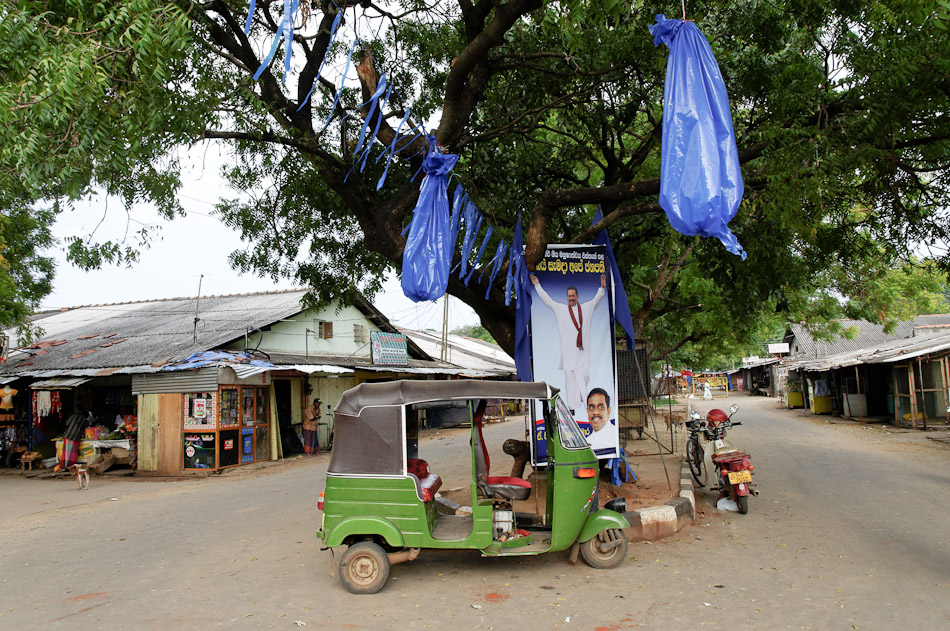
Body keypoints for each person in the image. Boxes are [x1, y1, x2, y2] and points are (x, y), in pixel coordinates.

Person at [530, 273, 606, 412]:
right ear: (567, 297)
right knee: (570, 382)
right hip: (569, 354)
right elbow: (547, 300)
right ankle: (573, 407)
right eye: (569, 296)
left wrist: (601, 289)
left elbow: (596, 300)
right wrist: (537, 285)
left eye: (573, 295)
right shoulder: (561, 309)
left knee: (584, 377)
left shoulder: (586, 307)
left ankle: (585, 402)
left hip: (583, 353)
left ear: (577, 296)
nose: (571, 298)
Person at [585, 387, 618, 456]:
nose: (595, 412)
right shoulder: (587, 442)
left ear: (608, 411)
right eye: (591, 407)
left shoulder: (615, 437)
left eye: (600, 407)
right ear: (587, 411)